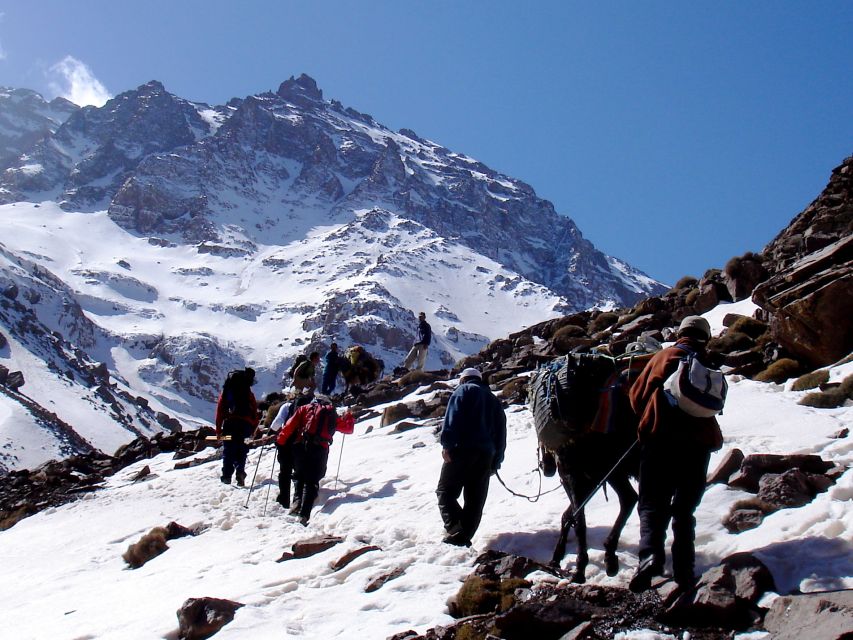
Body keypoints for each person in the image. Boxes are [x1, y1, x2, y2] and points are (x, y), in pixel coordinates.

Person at [628, 315, 724, 592]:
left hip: (660, 440)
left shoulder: (665, 355)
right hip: (699, 445)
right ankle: (684, 567)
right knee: (684, 509)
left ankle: (650, 558)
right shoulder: (707, 363)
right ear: (705, 337)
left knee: (652, 504)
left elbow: (636, 396)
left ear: (681, 333)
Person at [436, 367, 507, 546]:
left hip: (461, 450)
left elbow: (452, 419)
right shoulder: (493, 399)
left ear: (463, 379)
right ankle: (464, 537)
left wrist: (447, 445)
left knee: (445, 492)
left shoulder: (462, 391)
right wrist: (496, 462)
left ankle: (454, 527)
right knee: (475, 500)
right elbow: (501, 434)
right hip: (485, 456)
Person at [276, 395, 339, 525]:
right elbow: (347, 428)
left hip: (302, 446)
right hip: (321, 448)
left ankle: (297, 502)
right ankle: (304, 515)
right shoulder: (330, 412)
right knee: (312, 481)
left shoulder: (304, 408)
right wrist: (349, 417)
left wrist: (280, 441)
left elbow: (289, 425)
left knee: (299, 476)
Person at [215, 368, 260, 486]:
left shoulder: (226, 391)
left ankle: (226, 476)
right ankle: (240, 472)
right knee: (242, 449)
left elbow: (220, 410)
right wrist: (254, 428)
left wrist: (218, 430)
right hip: (246, 426)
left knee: (228, 449)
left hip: (229, 424)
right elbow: (254, 411)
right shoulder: (248, 393)